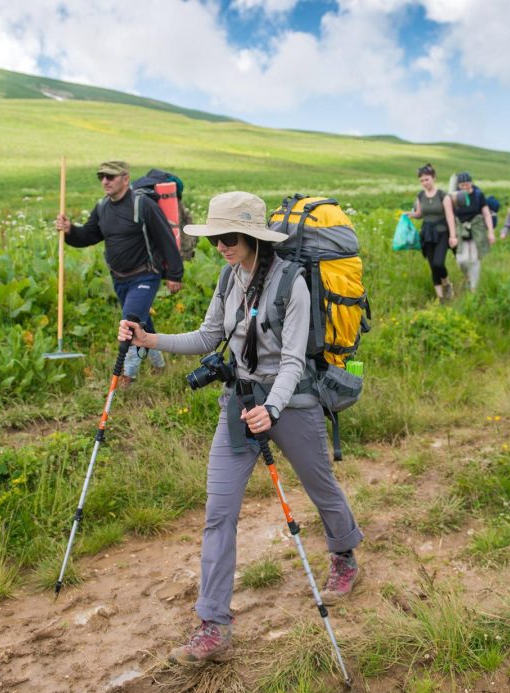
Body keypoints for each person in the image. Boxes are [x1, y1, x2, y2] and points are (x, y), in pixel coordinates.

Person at [117, 192, 364, 665]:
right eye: (215, 239)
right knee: (218, 511)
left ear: (252, 236)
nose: (222, 246)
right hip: (240, 399)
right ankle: (213, 624)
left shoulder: (292, 284)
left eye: (229, 238)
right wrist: (152, 339)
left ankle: (344, 555)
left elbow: (293, 361)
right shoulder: (229, 278)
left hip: (292, 401)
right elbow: (210, 336)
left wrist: (271, 409)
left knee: (321, 487)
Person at [56, 160, 184, 386]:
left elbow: (165, 238)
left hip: (145, 274)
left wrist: (175, 274)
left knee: (130, 322)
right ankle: (159, 364)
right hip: (120, 278)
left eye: (110, 176)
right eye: (102, 177)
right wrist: (70, 231)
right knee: (140, 320)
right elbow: (89, 235)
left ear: (125, 178)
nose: (105, 181)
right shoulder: (102, 207)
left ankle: (128, 374)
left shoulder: (142, 204)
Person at [404, 163, 457, 300]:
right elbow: (420, 213)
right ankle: (440, 298)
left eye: (426, 179)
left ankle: (447, 284)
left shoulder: (443, 195)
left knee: (438, 263)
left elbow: (450, 216)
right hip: (427, 233)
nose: (424, 183)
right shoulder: (420, 195)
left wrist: (452, 235)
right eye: (421, 180)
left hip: (442, 232)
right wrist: (411, 214)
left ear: (433, 178)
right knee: (432, 265)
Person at [451, 171, 495, 292]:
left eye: (467, 184)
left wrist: (491, 232)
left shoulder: (478, 195)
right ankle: (467, 276)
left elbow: (486, 214)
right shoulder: (454, 196)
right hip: (461, 231)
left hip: (477, 230)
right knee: (461, 260)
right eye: (462, 185)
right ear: (458, 185)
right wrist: (452, 234)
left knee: (475, 260)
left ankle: (473, 288)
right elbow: (450, 215)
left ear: (471, 182)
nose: (465, 186)